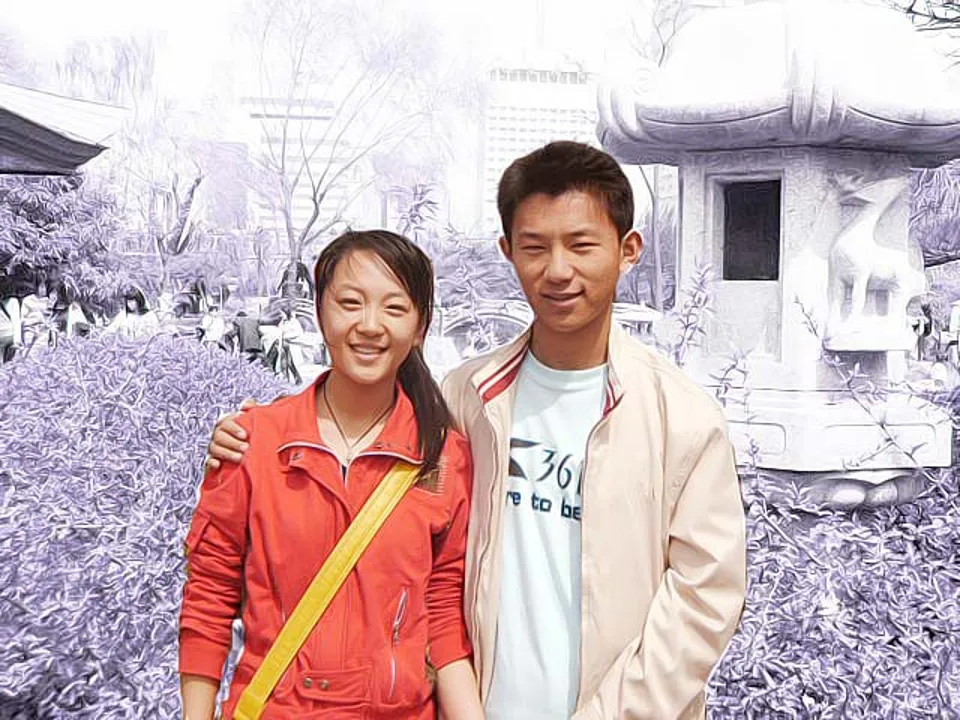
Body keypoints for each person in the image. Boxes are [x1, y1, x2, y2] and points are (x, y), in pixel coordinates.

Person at [206, 142, 747, 719]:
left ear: (628, 250)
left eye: (582, 245)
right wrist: (253, 436)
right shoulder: (468, 396)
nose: (557, 270)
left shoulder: (681, 419)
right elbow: (373, 489)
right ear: (507, 251)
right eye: (534, 247)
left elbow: (703, 599)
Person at [180, 230, 484, 720]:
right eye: (350, 303)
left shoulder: (443, 458)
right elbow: (209, 594)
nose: (370, 325)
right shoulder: (254, 442)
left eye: (394, 308)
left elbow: (443, 616)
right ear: (320, 313)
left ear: (420, 327)